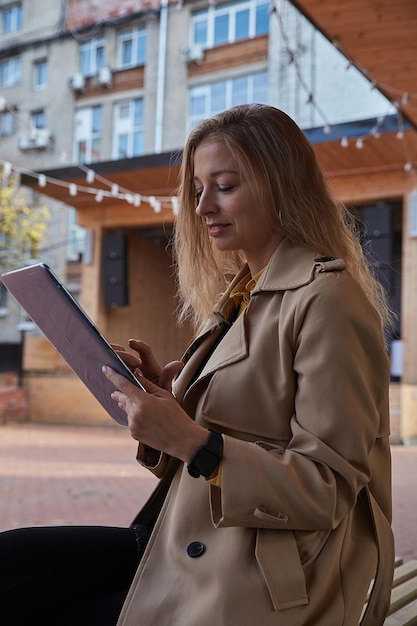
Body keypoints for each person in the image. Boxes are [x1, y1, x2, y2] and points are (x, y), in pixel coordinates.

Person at [0, 103, 394, 625]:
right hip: (194, 542)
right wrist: (167, 403)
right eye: (196, 190)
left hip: (260, 579)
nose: (203, 206)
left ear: (283, 186)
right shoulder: (244, 293)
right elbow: (236, 433)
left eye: (225, 185)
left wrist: (190, 439)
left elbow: (326, 491)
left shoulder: (328, 300)